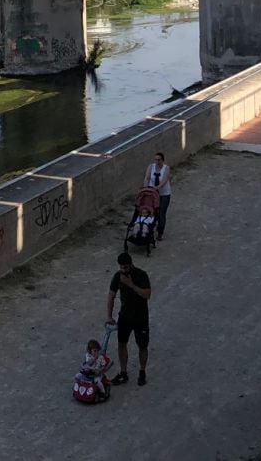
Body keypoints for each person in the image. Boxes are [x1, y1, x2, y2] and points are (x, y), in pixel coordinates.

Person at [106, 251, 152, 386]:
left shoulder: (141, 275)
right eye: (121, 267)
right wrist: (109, 316)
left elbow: (147, 295)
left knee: (142, 346)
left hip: (140, 317)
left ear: (131, 264)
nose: (123, 270)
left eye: (125, 267)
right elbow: (111, 296)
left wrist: (131, 285)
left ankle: (142, 371)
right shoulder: (118, 276)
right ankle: (123, 372)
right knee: (121, 343)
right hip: (125, 316)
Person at [144, 152, 172, 240]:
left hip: (164, 194)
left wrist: (156, 188)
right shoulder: (151, 167)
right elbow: (147, 178)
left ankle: (160, 232)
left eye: (159, 160)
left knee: (161, 213)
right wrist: (146, 188)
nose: (157, 161)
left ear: (162, 160)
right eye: (155, 159)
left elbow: (164, 180)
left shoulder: (166, 168)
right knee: (152, 211)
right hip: (152, 193)